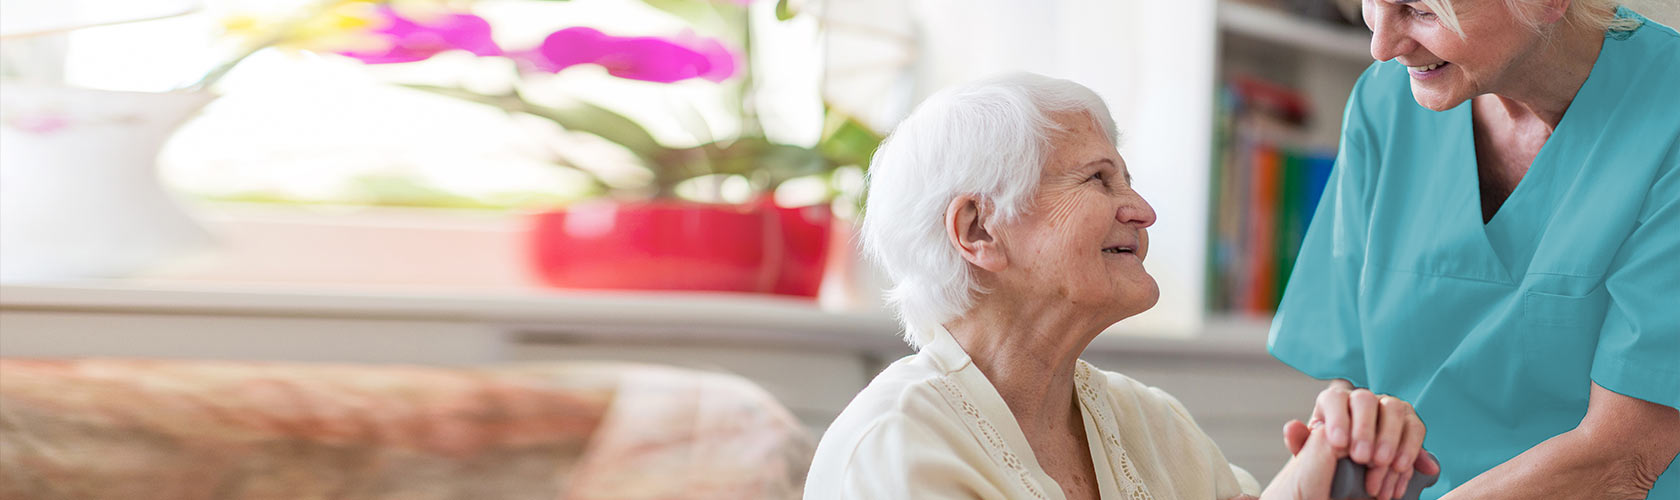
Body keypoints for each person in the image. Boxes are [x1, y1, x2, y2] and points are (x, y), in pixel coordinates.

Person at [805, 72, 1431, 500]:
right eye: (1099, 180)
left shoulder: (1149, 420)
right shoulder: (893, 447)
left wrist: (1331, 466)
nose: (1142, 210)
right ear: (978, 229)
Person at [1269, 1, 1680, 499]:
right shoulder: (1385, 105)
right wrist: (1349, 429)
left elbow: (1622, 458)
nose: (1382, 48)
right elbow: (1354, 382)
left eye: (1419, 10)